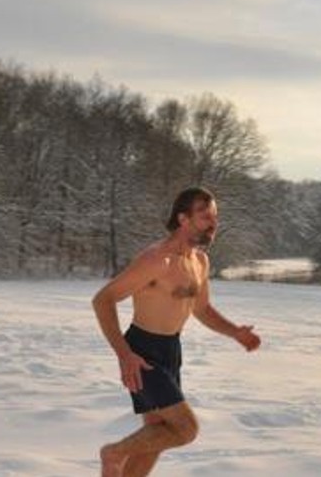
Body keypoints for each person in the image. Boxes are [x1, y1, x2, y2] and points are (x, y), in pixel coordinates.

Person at [93, 187, 261, 477]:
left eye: (215, 216)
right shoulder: (157, 259)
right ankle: (114, 453)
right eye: (205, 216)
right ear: (183, 219)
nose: (213, 223)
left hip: (170, 351)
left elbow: (202, 309)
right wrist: (125, 355)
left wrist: (235, 332)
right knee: (185, 429)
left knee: (156, 435)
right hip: (142, 352)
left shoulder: (199, 262)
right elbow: (103, 300)